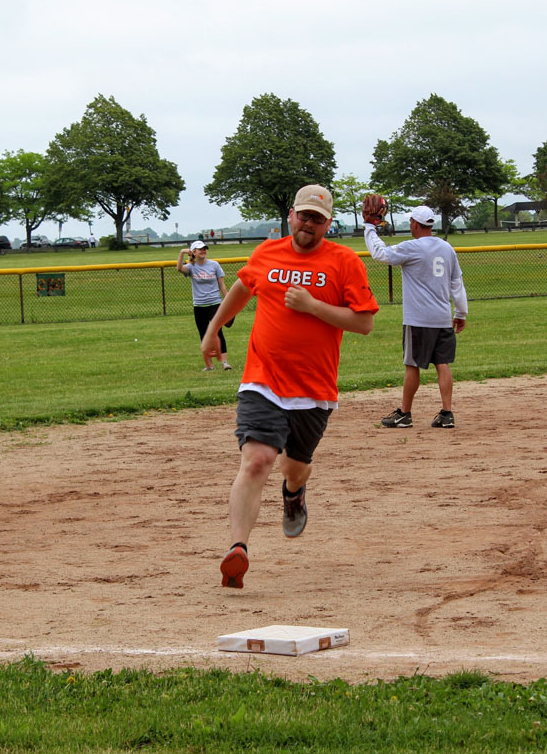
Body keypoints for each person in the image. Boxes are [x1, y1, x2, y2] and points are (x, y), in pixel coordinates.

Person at [200, 185, 379, 588]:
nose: (307, 224)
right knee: (257, 460)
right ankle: (238, 549)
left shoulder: (344, 262)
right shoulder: (267, 253)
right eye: (302, 215)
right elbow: (244, 287)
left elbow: (364, 323)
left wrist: (312, 306)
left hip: (313, 388)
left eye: (317, 219)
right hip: (262, 380)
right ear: (291, 216)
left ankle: (294, 492)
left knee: (294, 468)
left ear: (327, 224)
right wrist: (214, 329)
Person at [362, 200, 467, 429]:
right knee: (443, 364)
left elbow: (380, 254)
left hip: (418, 319)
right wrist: (461, 312)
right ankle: (447, 414)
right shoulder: (446, 248)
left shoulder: (412, 247)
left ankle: (404, 414)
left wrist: (370, 227)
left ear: (415, 224)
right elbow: (456, 283)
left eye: (410, 221)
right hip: (441, 317)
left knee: (412, 365)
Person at [177, 240, 231, 371]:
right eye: (200, 249)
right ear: (194, 252)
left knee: (217, 331)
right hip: (199, 305)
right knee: (203, 333)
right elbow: (179, 268)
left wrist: (229, 300)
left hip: (215, 303)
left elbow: (222, 285)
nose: (203, 251)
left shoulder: (214, 265)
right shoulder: (190, 267)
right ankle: (209, 365)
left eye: (205, 249)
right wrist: (182, 252)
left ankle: (224, 362)